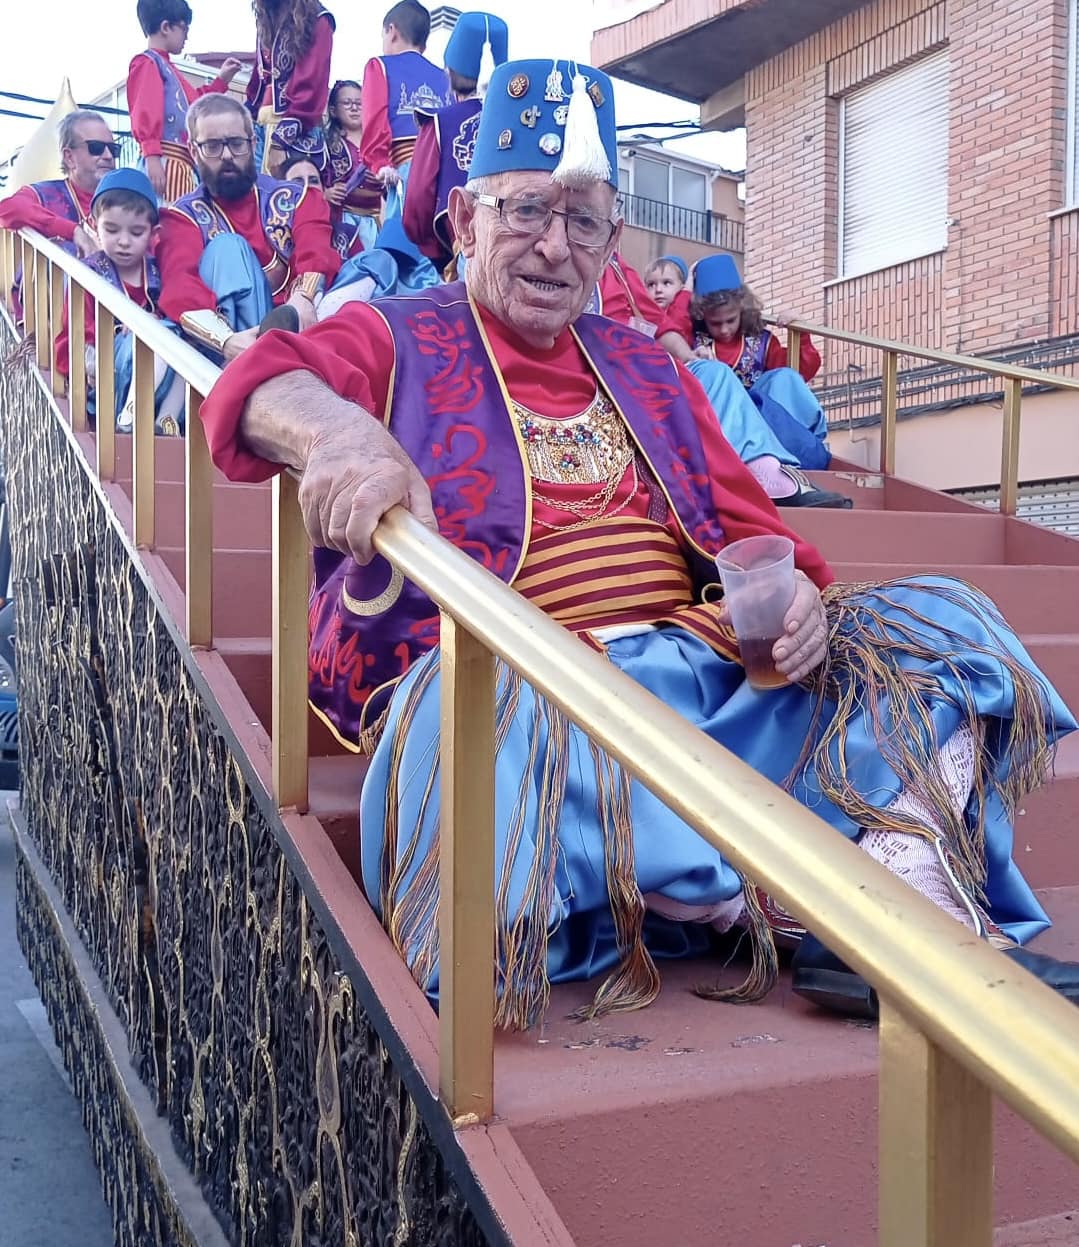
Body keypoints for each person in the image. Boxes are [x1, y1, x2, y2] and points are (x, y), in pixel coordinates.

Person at [200, 57, 1079, 1031]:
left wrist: (790, 606)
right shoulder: (396, 330)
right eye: (526, 210)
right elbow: (259, 382)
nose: (551, 246)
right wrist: (340, 433)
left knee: (940, 624)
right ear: (463, 222)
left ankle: (888, 911)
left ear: (611, 238)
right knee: (484, 718)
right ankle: (783, 896)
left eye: (581, 220)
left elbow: (758, 532)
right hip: (523, 686)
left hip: (698, 674)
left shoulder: (647, 367)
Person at [155, 93, 340, 359]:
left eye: (236, 143)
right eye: (213, 146)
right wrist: (225, 340)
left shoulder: (298, 197)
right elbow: (180, 287)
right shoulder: (182, 217)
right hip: (233, 348)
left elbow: (316, 251)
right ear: (194, 151)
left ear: (253, 144)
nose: (228, 155)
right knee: (229, 248)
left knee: (377, 263)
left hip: (302, 322)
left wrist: (303, 299)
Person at [659, 255, 832, 472]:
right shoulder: (691, 340)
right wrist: (685, 293)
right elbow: (668, 330)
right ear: (701, 315)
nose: (724, 329)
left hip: (769, 429)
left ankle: (802, 449)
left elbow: (800, 374)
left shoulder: (762, 341)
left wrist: (801, 331)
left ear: (742, 310)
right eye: (716, 323)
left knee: (784, 377)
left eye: (730, 320)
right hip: (717, 432)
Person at [55, 168, 186, 435]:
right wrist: (119, 332)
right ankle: (129, 418)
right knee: (160, 336)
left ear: (153, 233)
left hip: (156, 366)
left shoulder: (158, 271)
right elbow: (76, 339)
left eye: (136, 233)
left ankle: (166, 421)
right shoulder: (87, 275)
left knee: (183, 345)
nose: (123, 242)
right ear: (93, 224)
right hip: (108, 374)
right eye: (112, 230)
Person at [402, 10, 508, 274]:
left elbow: (417, 204)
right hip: (521, 250)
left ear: (449, 73)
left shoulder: (439, 122)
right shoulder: (523, 121)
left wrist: (439, 254)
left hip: (464, 252)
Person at [127, 0, 244, 204]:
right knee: (170, 217)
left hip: (181, 163)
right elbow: (145, 110)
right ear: (166, 27)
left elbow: (194, 106)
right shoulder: (147, 63)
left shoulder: (169, 69)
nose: (186, 36)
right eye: (183, 28)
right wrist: (152, 156)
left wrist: (221, 81)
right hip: (166, 160)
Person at [360, 1, 452, 222]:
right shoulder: (445, 77)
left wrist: (379, 163)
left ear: (391, 31)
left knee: (403, 244)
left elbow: (375, 117)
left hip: (406, 169)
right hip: (445, 173)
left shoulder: (380, 66)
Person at [0, 110, 118, 257]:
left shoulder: (126, 200)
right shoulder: (46, 194)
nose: (108, 156)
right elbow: (7, 209)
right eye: (96, 148)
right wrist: (72, 231)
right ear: (69, 157)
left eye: (113, 150)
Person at [245, 0, 335, 176]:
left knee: (291, 198)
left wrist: (281, 140)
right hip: (260, 127)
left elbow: (312, 84)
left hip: (292, 128)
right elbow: (259, 81)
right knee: (257, 198)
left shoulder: (318, 19)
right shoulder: (267, 18)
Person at [323, 79, 383, 256]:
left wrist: (383, 179)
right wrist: (326, 193)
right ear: (333, 110)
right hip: (343, 218)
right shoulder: (326, 143)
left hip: (376, 218)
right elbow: (313, 178)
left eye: (359, 103)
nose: (354, 108)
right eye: (347, 103)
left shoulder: (378, 142)